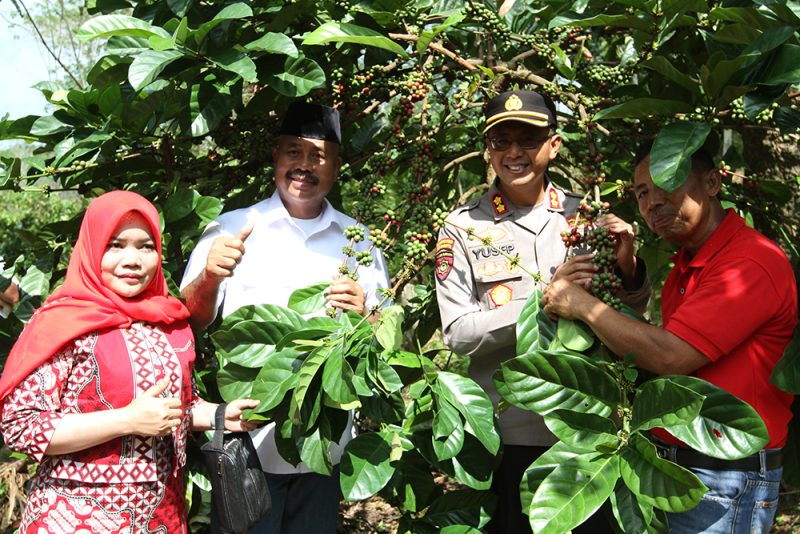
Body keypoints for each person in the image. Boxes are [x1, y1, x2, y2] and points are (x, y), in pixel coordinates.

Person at [542, 140, 797, 533]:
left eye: (667, 182)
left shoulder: (748, 263)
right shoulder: (688, 264)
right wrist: (625, 270)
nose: (652, 202)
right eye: (642, 193)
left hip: (722, 479)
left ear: (712, 182)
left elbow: (669, 356)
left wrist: (580, 306)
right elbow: (656, 349)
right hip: (682, 470)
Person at [434, 89, 650, 533]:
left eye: (528, 139)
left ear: (553, 145)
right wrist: (544, 300)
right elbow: (457, 333)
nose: (515, 153)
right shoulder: (460, 228)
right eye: (501, 141)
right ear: (487, 150)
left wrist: (627, 267)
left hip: (590, 432)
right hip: (508, 434)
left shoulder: (585, 216)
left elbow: (627, 314)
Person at [180, 102, 391, 533]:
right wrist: (210, 276)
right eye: (294, 152)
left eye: (319, 156)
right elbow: (188, 321)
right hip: (245, 443)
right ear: (276, 156)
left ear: (335, 166)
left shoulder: (360, 242)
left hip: (324, 446)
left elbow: (384, 343)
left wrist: (365, 314)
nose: (305, 166)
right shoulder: (231, 227)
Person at [0, 191, 258, 533]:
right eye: (115, 245)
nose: (133, 260)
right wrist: (126, 420)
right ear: (91, 249)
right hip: (76, 518)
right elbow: (22, 427)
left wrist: (216, 414)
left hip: (161, 516)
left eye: (146, 246)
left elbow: (178, 405)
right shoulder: (61, 324)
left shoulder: (169, 322)